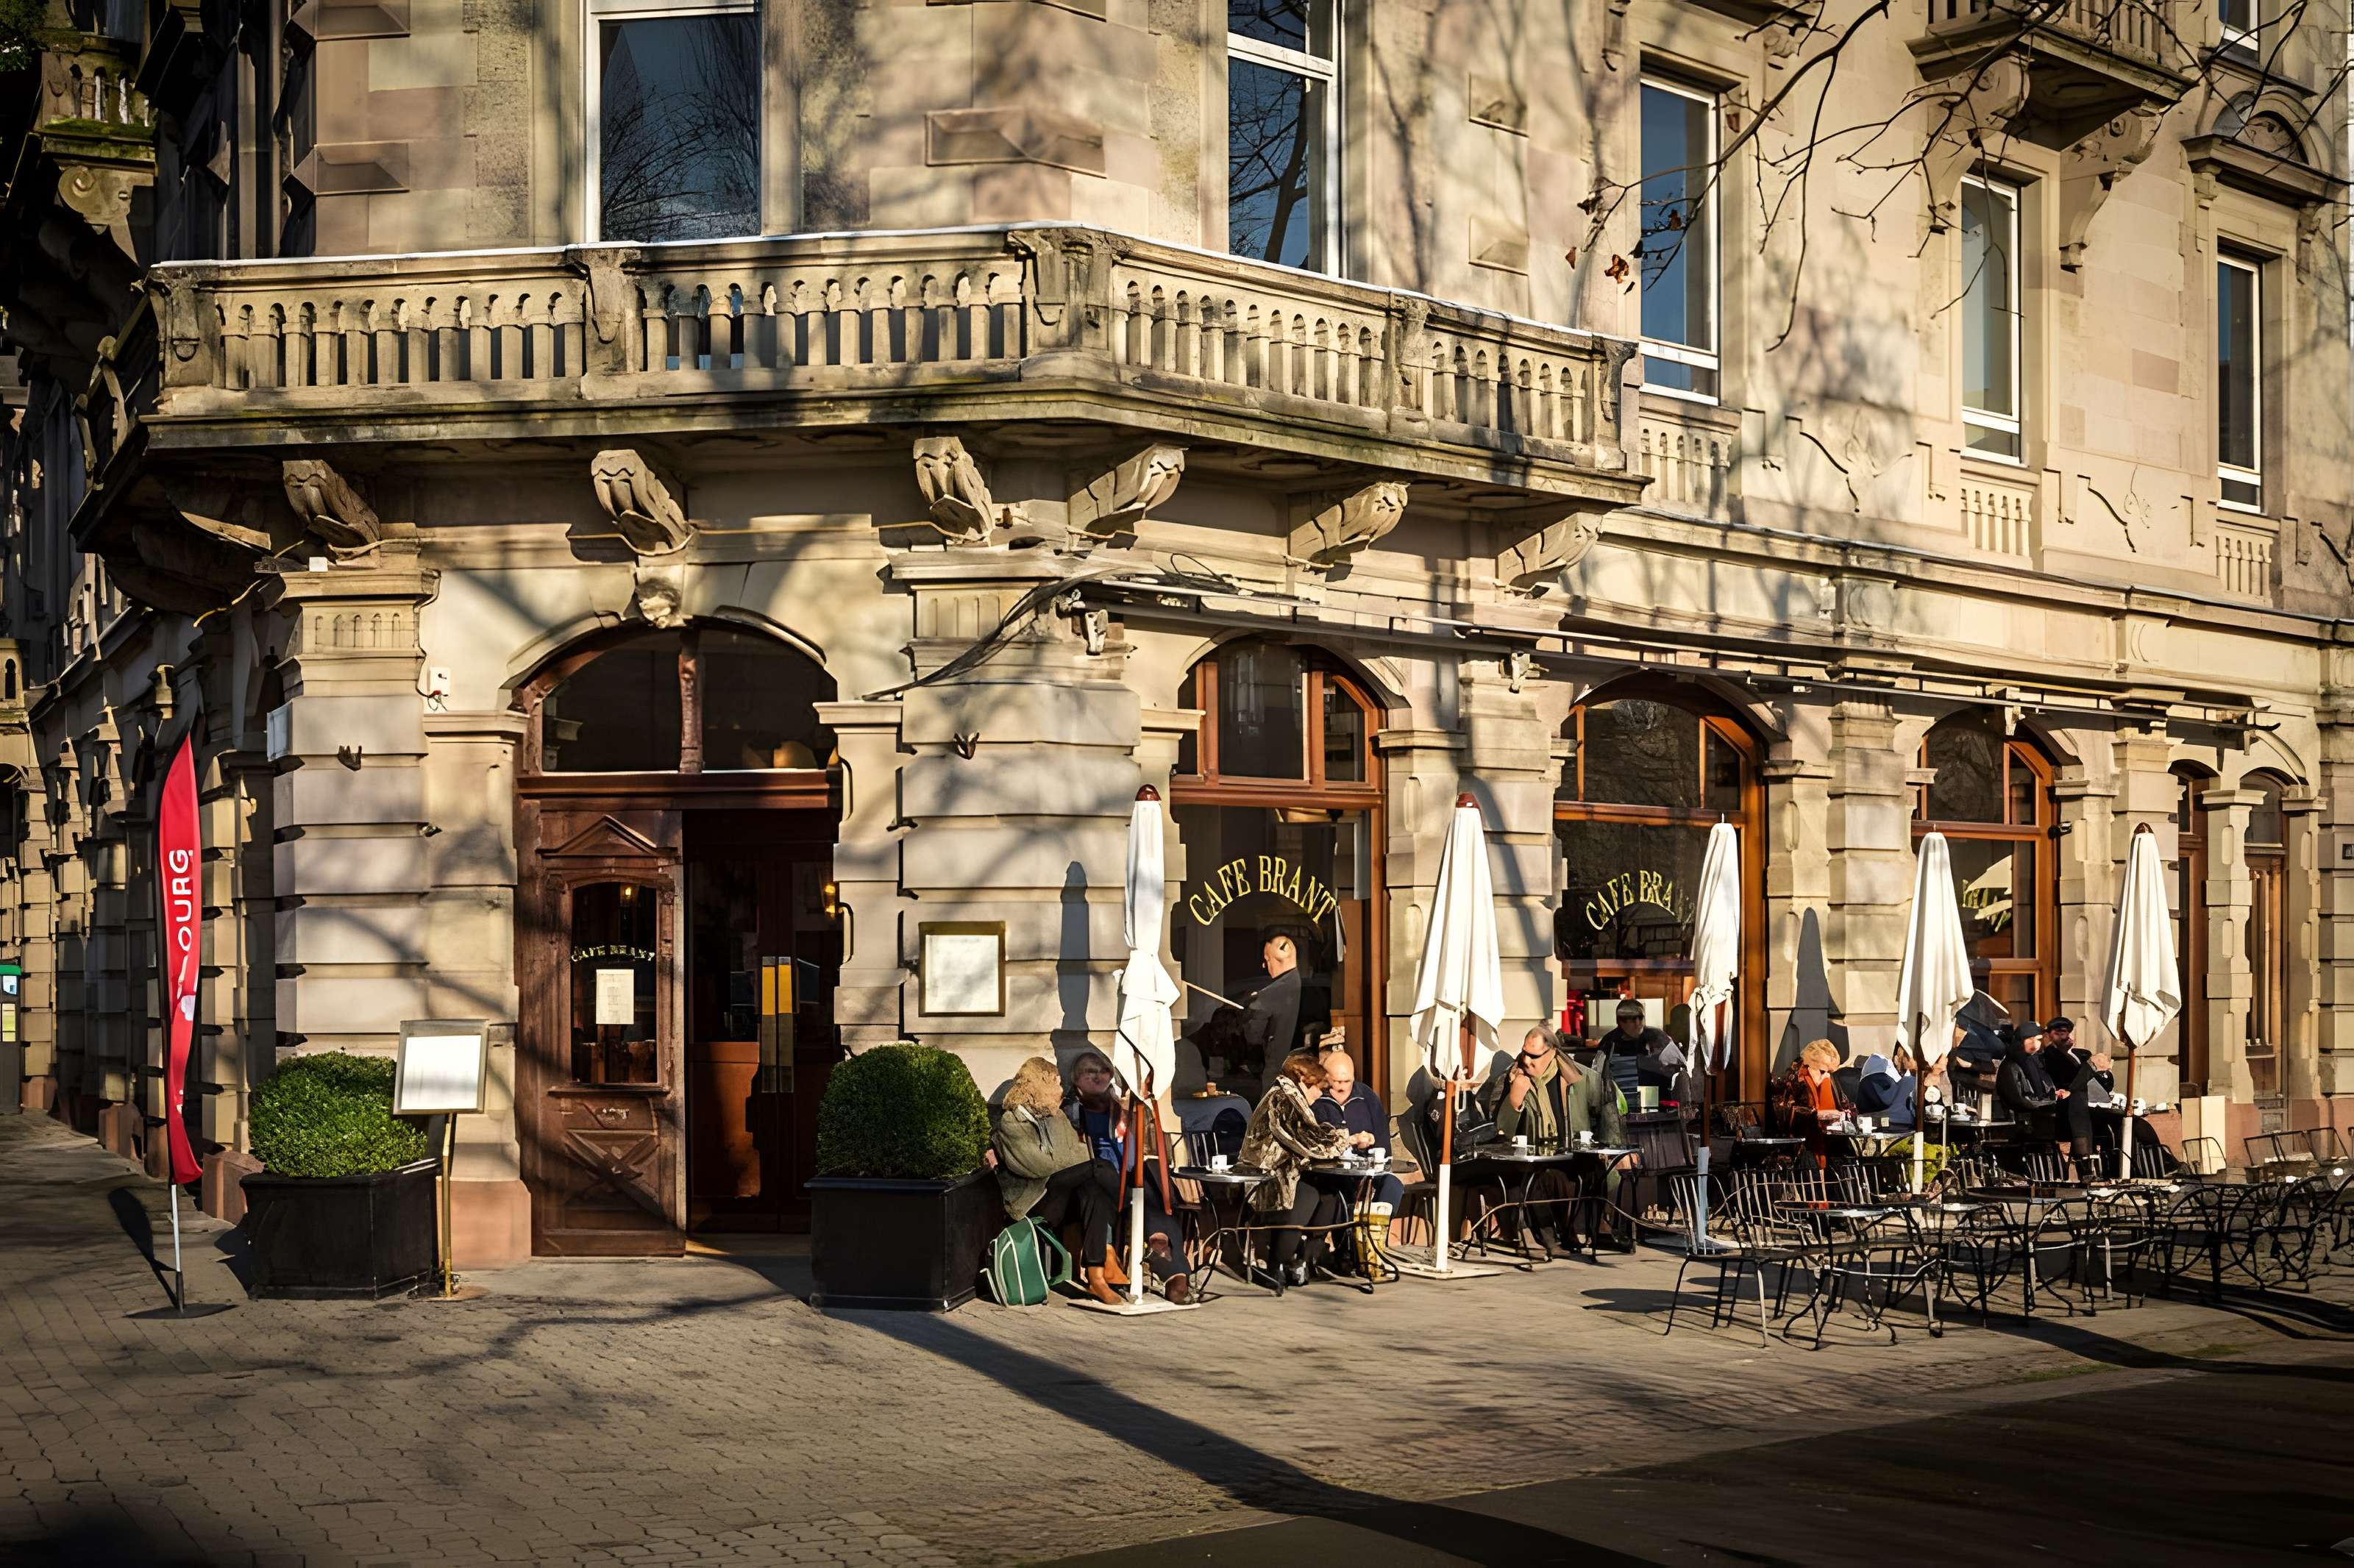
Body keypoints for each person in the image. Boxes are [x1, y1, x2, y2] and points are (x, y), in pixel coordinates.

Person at [1476, 1024, 1627, 1253]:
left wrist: (1614, 1146)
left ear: (1553, 1053)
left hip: (1569, 1151)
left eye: (1534, 1056)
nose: (1527, 1061)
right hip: (1529, 1158)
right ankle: (1551, 1239)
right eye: (1524, 1053)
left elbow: (1608, 1106)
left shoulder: (1578, 1077)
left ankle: (1592, 1232)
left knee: (1593, 1170)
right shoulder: (1512, 1078)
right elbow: (1501, 1129)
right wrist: (1515, 1099)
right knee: (1542, 1178)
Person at [1064, 1050, 1194, 1305]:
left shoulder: (1119, 1109)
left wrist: (1127, 1125)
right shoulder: (1074, 1112)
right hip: (1098, 1180)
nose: (1097, 1076)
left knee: (1152, 1177)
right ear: (1077, 1080)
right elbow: (1078, 1159)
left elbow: (1133, 1159)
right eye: (1089, 1072)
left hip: (1126, 1179)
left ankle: (1164, 1252)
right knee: (1136, 1190)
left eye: (1102, 1071)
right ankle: (1167, 1261)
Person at [990, 1056, 1120, 1304]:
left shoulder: (1056, 1117)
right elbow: (1037, 1167)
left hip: (1062, 1194)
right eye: (1055, 1083)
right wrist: (1071, 1162)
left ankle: (1096, 1274)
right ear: (1037, 1084)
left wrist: (1070, 1162)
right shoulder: (1012, 1122)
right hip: (1034, 1200)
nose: (1061, 1090)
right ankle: (1126, 1210)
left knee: (1093, 1189)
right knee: (1097, 1167)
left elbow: (1079, 1153)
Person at [1238, 1052, 1356, 1289]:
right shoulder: (1281, 1100)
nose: (1321, 1093)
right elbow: (1305, 1140)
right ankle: (1277, 1263)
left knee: (1329, 1195)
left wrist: (1335, 1138)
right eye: (1318, 1087)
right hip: (1265, 1180)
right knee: (1308, 1195)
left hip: (1287, 1174)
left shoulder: (1293, 1098)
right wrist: (1347, 1140)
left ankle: (1303, 1259)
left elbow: (1310, 1134)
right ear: (1304, 1081)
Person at [1309, 1047, 1406, 1275]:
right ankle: (1348, 1252)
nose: (1342, 1086)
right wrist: (1347, 1142)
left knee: (1393, 1186)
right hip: (1330, 1173)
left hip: (1365, 1170)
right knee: (1341, 1196)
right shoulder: (1316, 1099)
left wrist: (1371, 1143)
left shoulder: (1367, 1097)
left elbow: (1383, 1143)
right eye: (1336, 1081)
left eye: (1347, 1081)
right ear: (1326, 1078)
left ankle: (1373, 1246)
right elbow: (1314, 1143)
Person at [1773, 1038, 1850, 1166]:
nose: (1826, 1076)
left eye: (1830, 1073)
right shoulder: (1796, 1082)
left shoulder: (1827, 1081)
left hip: (1821, 1148)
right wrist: (1816, 1116)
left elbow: (1837, 1109)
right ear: (1810, 1066)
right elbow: (1787, 1118)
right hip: (1798, 1150)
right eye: (1822, 1071)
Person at [1598, 999, 1682, 1109]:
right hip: (1620, 1108)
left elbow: (1679, 1068)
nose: (1638, 1023)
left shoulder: (1656, 1037)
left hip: (1654, 1106)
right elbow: (1599, 1078)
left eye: (1640, 1018)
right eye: (1632, 1019)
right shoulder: (1609, 1042)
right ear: (1620, 1021)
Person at [1852, 1047, 1917, 1129]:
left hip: (1901, 1123)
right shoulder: (1878, 1062)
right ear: (1897, 1059)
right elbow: (1885, 1098)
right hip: (1876, 1121)